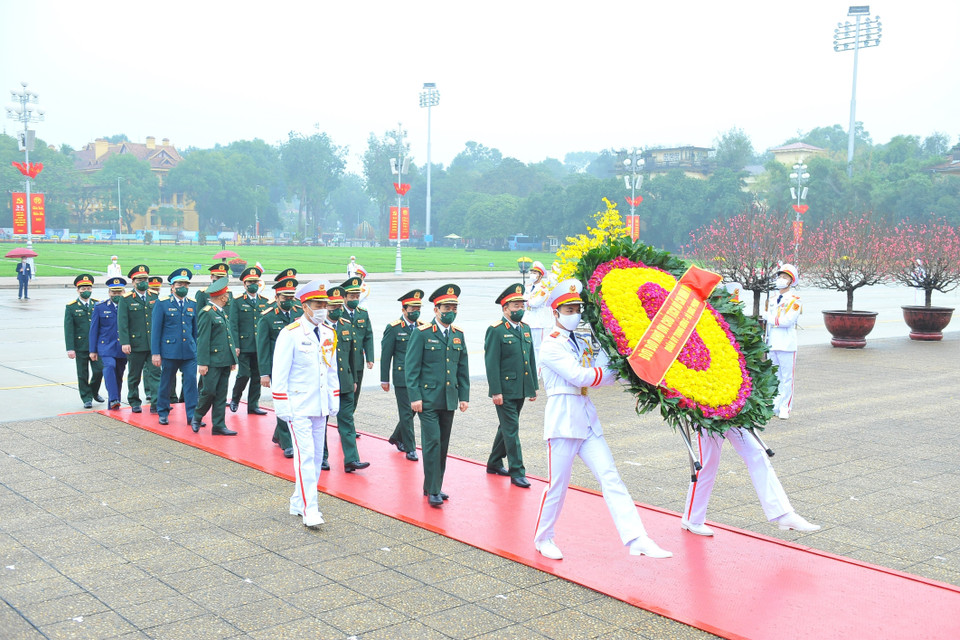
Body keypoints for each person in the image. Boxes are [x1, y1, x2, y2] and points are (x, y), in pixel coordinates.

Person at [533, 279, 672, 560]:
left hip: (586, 418)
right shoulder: (550, 345)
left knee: (611, 478)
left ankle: (637, 538)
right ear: (556, 312)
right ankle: (544, 537)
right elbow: (581, 376)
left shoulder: (584, 338)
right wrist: (612, 371)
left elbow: (605, 364)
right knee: (557, 486)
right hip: (563, 419)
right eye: (568, 309)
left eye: (577, 308)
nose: (574, 314)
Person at [272, 281, 339, 528]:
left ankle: (297, 501)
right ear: (305, 306)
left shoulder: (329, 333)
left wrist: (334, 398)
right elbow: (279, 373)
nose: (323, 309)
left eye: (325, 305)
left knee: (318, 455)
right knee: (306, 456)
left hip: (320, 406)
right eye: (317, 305)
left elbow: (330, 371)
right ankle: (311, 508)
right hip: (298, 405)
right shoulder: (291, 333)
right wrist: (282, 407)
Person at [680, 428, 821, 538]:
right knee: (708, 464)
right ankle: (693, 518)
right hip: (707, 411)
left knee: (757, 455)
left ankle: (784, 514)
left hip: (733, 411)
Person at [405, 284, 470, 508]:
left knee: (442, 445)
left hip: (449, 399)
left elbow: (462, 367)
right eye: (447, 307)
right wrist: (414, 397)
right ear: (436, 310)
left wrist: (464, 396)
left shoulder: (458, 335)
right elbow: (411, 368)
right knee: (432, 443)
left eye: (454, 307)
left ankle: (433, 485)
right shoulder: (422, 334)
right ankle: (433, 490)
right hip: (427, 400)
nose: (451, 311)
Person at [484, 283, 538, 488]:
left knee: (506, 428)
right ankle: (517, 471)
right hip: (505, 391)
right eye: (515, 306)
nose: (519, 309)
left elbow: (530, 359)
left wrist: (532, 387)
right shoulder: (496, 330)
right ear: (505, 308)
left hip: (521, 388)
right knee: (512, 429)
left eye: (521, 305)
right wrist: (495, 391)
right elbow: (491, 363)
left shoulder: (525, 329)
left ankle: (494, 462)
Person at [322, 285, 370, 473]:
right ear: (325, 306)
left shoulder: (346, 326)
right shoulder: (319, 328)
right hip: (325, 384)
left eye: (338, 307)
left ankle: (351, 459)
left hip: (346, 382)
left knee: (347, 421)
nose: (336, 310)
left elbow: (353, 356)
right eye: (332, 307)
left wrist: (354, 379)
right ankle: (322, 457)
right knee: (321, 423)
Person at [258, 276, 303, 458]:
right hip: (278, 368)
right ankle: (287, 442)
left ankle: (278, 434)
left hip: (297, 367)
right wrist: (264, 373)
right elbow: (262, 348)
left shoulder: (299, 314)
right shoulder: (267, 318)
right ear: (276, 298)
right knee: (283, 402)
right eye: (285, 298)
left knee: (294, 403)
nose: (288, 301)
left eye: (291, 298)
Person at [380, 289, 426, 462]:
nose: (415, 312)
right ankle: (410, 448)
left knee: (413, 411)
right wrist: (384, 379)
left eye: (418, 308)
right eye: (412, 309)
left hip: (420, 377)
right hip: (402, 377)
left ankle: (397, 437)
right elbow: (386, 355)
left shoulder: (422, 326)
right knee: (406, 413)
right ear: (404, 310)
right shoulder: (393, 328)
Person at [151, 269, 199, 427]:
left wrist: (197, 349)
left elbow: (195, 330)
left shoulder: (192, 304)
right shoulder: (163, 303)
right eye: (179, 284)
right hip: (170, 351)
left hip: (189, 352)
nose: (183, 287)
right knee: (167, 382)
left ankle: (192, 415)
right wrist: (156, 353)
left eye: (185, 284)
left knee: (191, 382)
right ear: (172, 287)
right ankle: (163, 411)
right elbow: (156, 331)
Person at [192, 277, 239, 435]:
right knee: (209, 391)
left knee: (221, 394)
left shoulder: (221, 313)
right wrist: (202, 363)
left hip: (224, 360)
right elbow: (203, 340)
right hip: (212, 361)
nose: (227, 299)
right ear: (222, 297)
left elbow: (228, 338)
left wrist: (232, 359)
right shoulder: (207, 313)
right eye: (226, 296)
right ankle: (197, 416)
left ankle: (219, 425)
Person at [118, 265, 160, 414]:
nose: (143, 282)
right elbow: (122, 322)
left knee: (156, 373)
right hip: (135, 344)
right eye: (140, 280)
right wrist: (125, 342)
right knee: (134, 375)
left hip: (152, 344)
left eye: (145, 279)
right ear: (133, 282)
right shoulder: (126, 299)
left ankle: (156, 402)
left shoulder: (154, 296)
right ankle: (134, 401)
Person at [230, 266, 270, 416]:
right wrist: (235, 345)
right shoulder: (238, 301)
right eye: (250, 282)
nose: (253, 284)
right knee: (243, 374)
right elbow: (233, 324)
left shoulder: (265, 301)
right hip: (244, 345)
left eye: (255, 281)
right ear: (244, 285)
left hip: (259, 346)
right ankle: (235, 399)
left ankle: (253, 405)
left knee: (257, 376)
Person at [764, 263, 801, 420]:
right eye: (779, 276)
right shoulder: (772, 299)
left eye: (784, 277)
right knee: (776, 376)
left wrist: (770, 318)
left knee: (787, 378)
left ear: (791, 281)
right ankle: (776, 404)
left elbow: (787, 320)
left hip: (786, 343)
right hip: (773, 342)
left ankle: (786, 406)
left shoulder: (795, 300)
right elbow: (768, 326)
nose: (780, 279)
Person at [64, 274, 104, 408]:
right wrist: (70, 348)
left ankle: (93, 391)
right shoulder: (71, 307)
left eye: (88, 288)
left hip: (96, 346)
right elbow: (68, 329)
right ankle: (86, 398)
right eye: (83, 288)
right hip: (80, 346)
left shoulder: (97, 304)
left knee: (99, 371)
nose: (86, 290)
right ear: (77, 290)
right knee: (82, 373)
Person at [89, 277, 129, 410]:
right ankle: (113, 398)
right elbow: (94, 330)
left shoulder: (128, 307)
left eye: (119, 292)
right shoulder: (100, 307)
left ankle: (113, 406)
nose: (117, 295)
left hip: (121, 348)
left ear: (123, 292)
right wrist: (92, 350)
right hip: (105, 346)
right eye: (114, 292)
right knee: (109, 366)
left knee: (119, 375)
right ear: (109, 293)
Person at [341, 276, 375, 408]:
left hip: (358, 361)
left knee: (355, 395)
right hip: (344, 362)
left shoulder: (362, 314)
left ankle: (349, 418)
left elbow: (368, 336)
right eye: (352, 297)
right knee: (345, 395)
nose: (355, 300)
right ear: (344, 297)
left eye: (357, 296)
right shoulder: (338, 313)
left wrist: (370, 358)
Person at [524, 261, 554, 357]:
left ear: (540, 276)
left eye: (535, 273)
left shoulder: (543, 289)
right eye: (531, 272)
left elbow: (534, 303)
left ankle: (538, 370)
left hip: (539, 323)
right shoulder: (527, 287)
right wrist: (527, 301)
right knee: (529, 348)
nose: (532, 275)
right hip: (528, 321)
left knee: (538, 349)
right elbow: (523, 301)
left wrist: (527, 301)